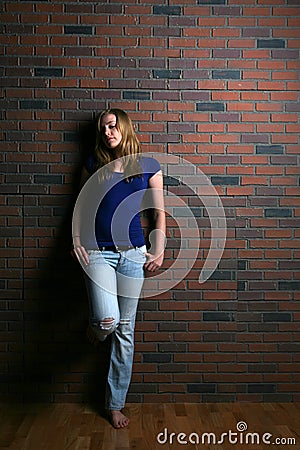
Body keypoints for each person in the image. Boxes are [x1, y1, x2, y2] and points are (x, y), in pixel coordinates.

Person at [72, 109, 165, 429]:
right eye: (103, 129)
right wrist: (75, 239)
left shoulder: (148, 166)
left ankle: (114, 404)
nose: (108, 132)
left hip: (133, 255)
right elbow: (80, 204)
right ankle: (97, 327)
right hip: (97, 253)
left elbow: (158, 211)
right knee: (108, 320)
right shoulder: (93, 163)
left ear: (124, 127)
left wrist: (160, 247)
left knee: (125, 329)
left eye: (113, 126)